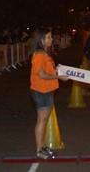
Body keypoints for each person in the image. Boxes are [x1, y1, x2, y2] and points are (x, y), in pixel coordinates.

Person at [30, 28, 68, 159]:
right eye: (48, 37)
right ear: (41, 40)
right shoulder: (39, 54)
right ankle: (39, 149)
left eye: (51, 37)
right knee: (42, 120)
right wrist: (58, 77)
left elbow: (47, 70)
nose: (51, 39)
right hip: (41, 91)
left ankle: (41, 146)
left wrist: (56, 70)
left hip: (46, 90)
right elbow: (41, 74)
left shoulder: (45, 54)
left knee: (44, 120)